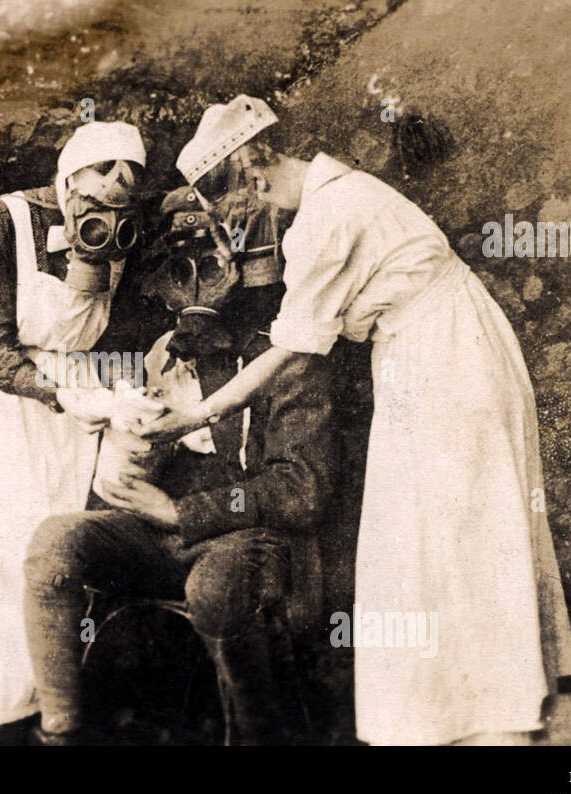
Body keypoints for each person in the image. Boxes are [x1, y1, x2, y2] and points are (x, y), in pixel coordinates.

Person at [139, 95, 571, 745]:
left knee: (457, 529)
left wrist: (196, 413)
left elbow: (291, 349)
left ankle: (492, 710)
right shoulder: (343, 192)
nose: (244, 228)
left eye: (237, 211)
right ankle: (472, 707)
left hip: (446, 360)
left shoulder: (325, 217)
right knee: (441, 533)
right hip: (434, 349)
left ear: (255, 175)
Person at [23, 184, 340, 744]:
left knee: (217, 589)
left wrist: (179, 512)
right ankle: (63, 731)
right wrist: (128, 454)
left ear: (244, 265)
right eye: (178, 269)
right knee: (55, 543)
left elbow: (303, 488)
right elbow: (134, 471)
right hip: (163, 535)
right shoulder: (164, 350)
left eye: (210, 265)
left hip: (250, 537)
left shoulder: (287, 353)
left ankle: (263, 735)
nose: (192, 285)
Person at [0, 121, 148, 743]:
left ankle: (55, 709)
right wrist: (57, 393)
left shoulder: (122, 233)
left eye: (124, 188)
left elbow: (114, 336)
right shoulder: (4, 222)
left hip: (75, 412)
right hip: (3, 403)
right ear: (70, 175)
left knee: (52, 550)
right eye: (99, 182)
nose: (107, 200)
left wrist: (112, 391)